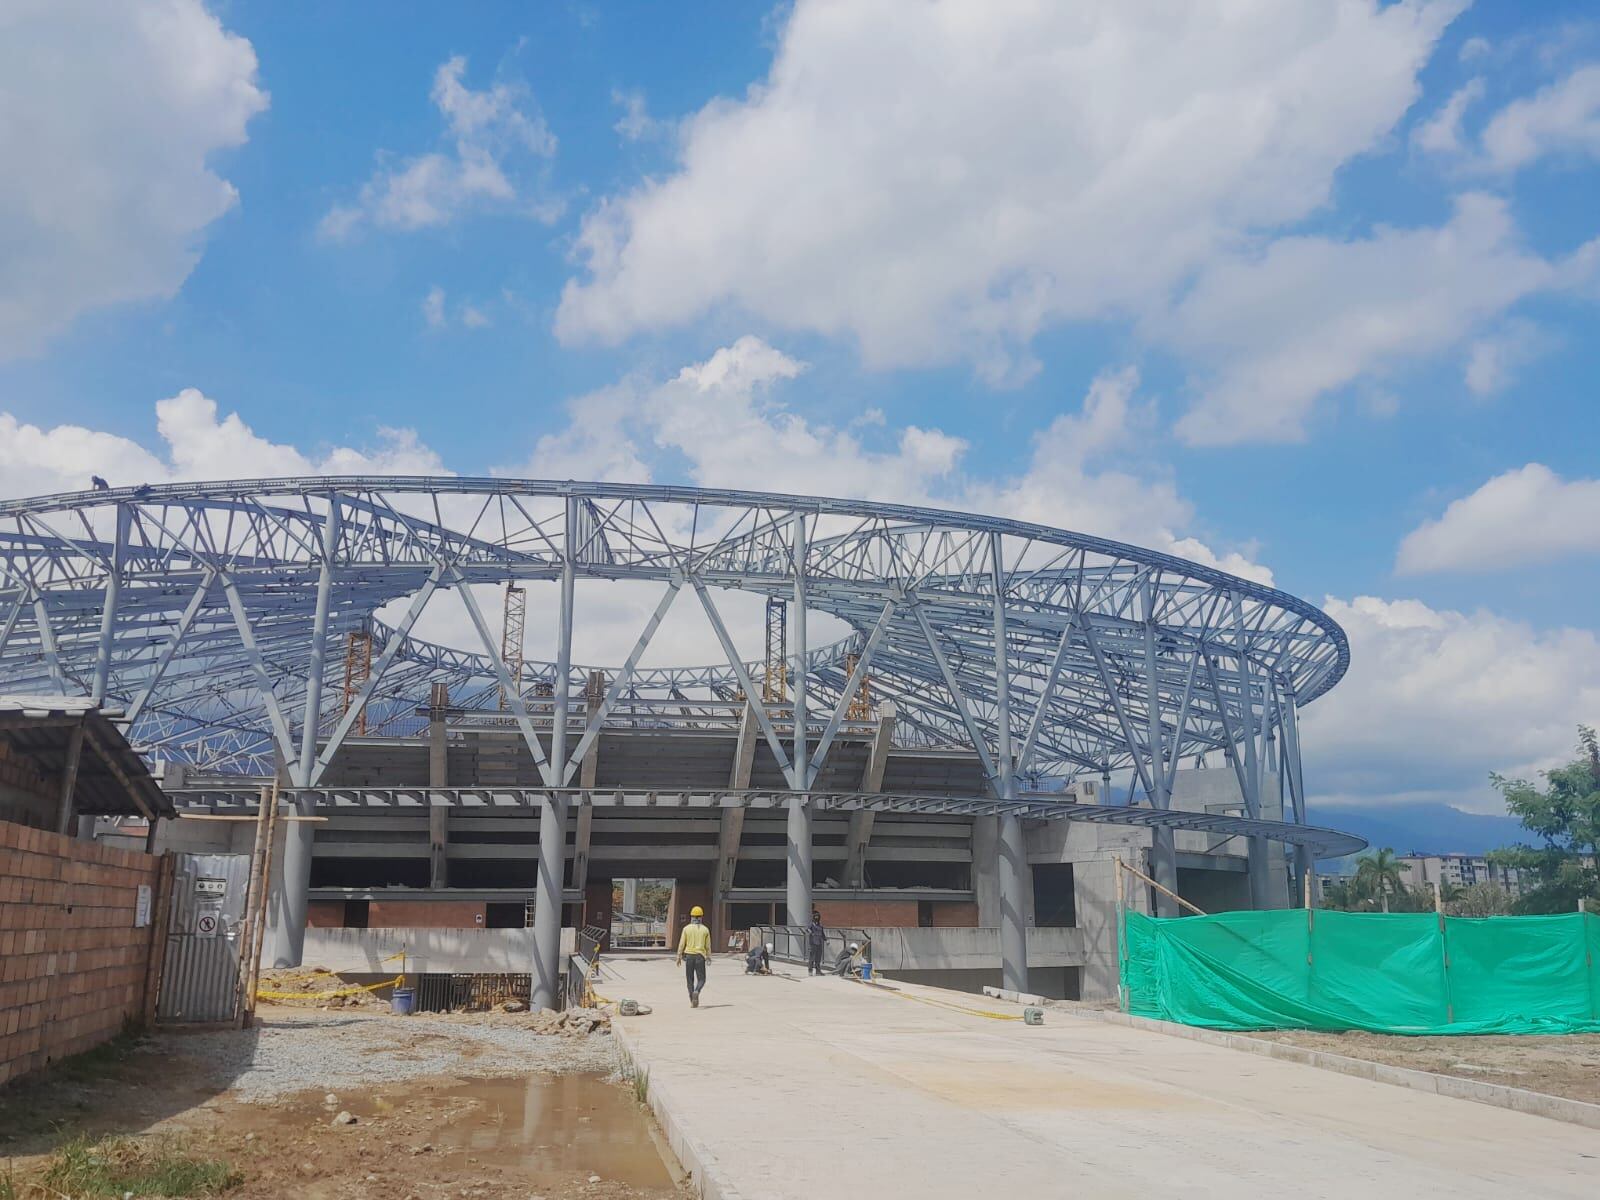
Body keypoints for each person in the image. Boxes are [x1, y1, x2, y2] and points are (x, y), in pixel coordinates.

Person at [675, 905, 711, 1007]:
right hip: (700, 956)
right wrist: (708, 956)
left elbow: (682, 943)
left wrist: (678, 956)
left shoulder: (686, 929)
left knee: (689, 980)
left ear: (691, 917)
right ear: (701, 917)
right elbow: (708, 946)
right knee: (702, 979)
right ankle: (697, 991)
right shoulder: (705, 930)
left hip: (689, 956)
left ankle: (692, 1000)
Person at [805, 910, 826, 976]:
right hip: (813, 943)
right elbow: (807, 929)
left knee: (818, 958)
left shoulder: (820, 926)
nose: (817, 918)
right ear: (814, 917)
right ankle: (810, 970)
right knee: (812, 958)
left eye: (818, 916)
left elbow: (822, 934)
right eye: (816, 916)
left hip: (819, 943)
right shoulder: (811, 924)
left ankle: (818, 971)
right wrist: (811, 932)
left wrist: (826, 940)